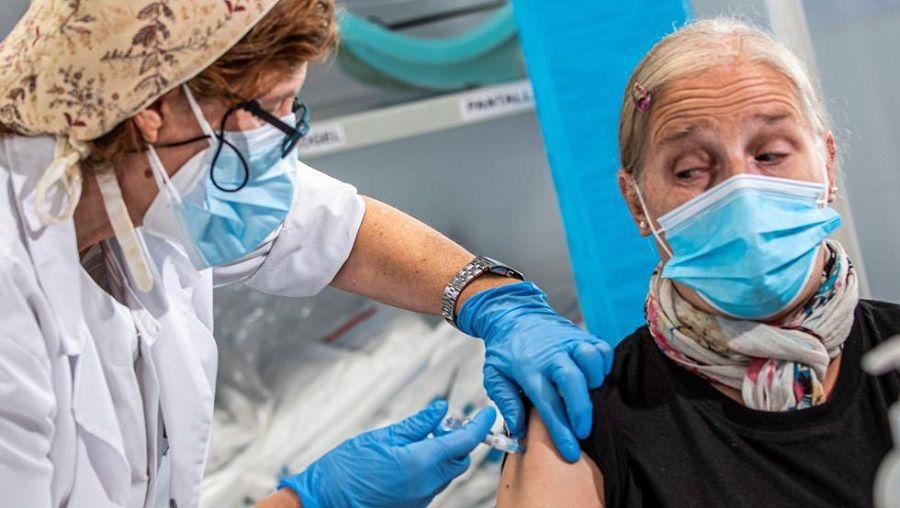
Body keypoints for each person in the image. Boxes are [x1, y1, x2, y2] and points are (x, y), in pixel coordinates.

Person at [0, 1, 614, 506]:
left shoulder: (149, 180)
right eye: (270, 109)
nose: (288, 134)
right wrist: (309, 502)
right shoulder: (12, 298)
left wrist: (493, 300)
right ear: (154, 110)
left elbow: (333, 229)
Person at [497, 18, 900, 507]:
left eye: (771, 154)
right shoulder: (580, 423)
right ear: (636, 201)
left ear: (828, 164)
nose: (742, 192)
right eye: (690, 170)